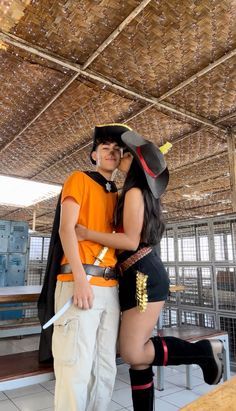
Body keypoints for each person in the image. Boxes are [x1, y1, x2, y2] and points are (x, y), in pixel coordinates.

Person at [76, 130, 224, 411]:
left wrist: (87, 233)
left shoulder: (134, 192)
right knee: (139, 356)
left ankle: (203, 351)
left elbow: (130, 241)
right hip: (136, 274)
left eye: (128, 153)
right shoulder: (135, 193)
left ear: (136, 165)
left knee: (132, 351)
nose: (122, 154)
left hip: (143, 275)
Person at [45, 123, 132, 411]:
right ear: (94, 155)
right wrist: (81, 280)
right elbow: (66, 229)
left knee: (105, 367)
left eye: (117, 150)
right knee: (75, 367)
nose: (111, 153)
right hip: (79, 282)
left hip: (110, 288)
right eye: (105, 148)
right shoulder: (79, 179)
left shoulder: (118, 194)